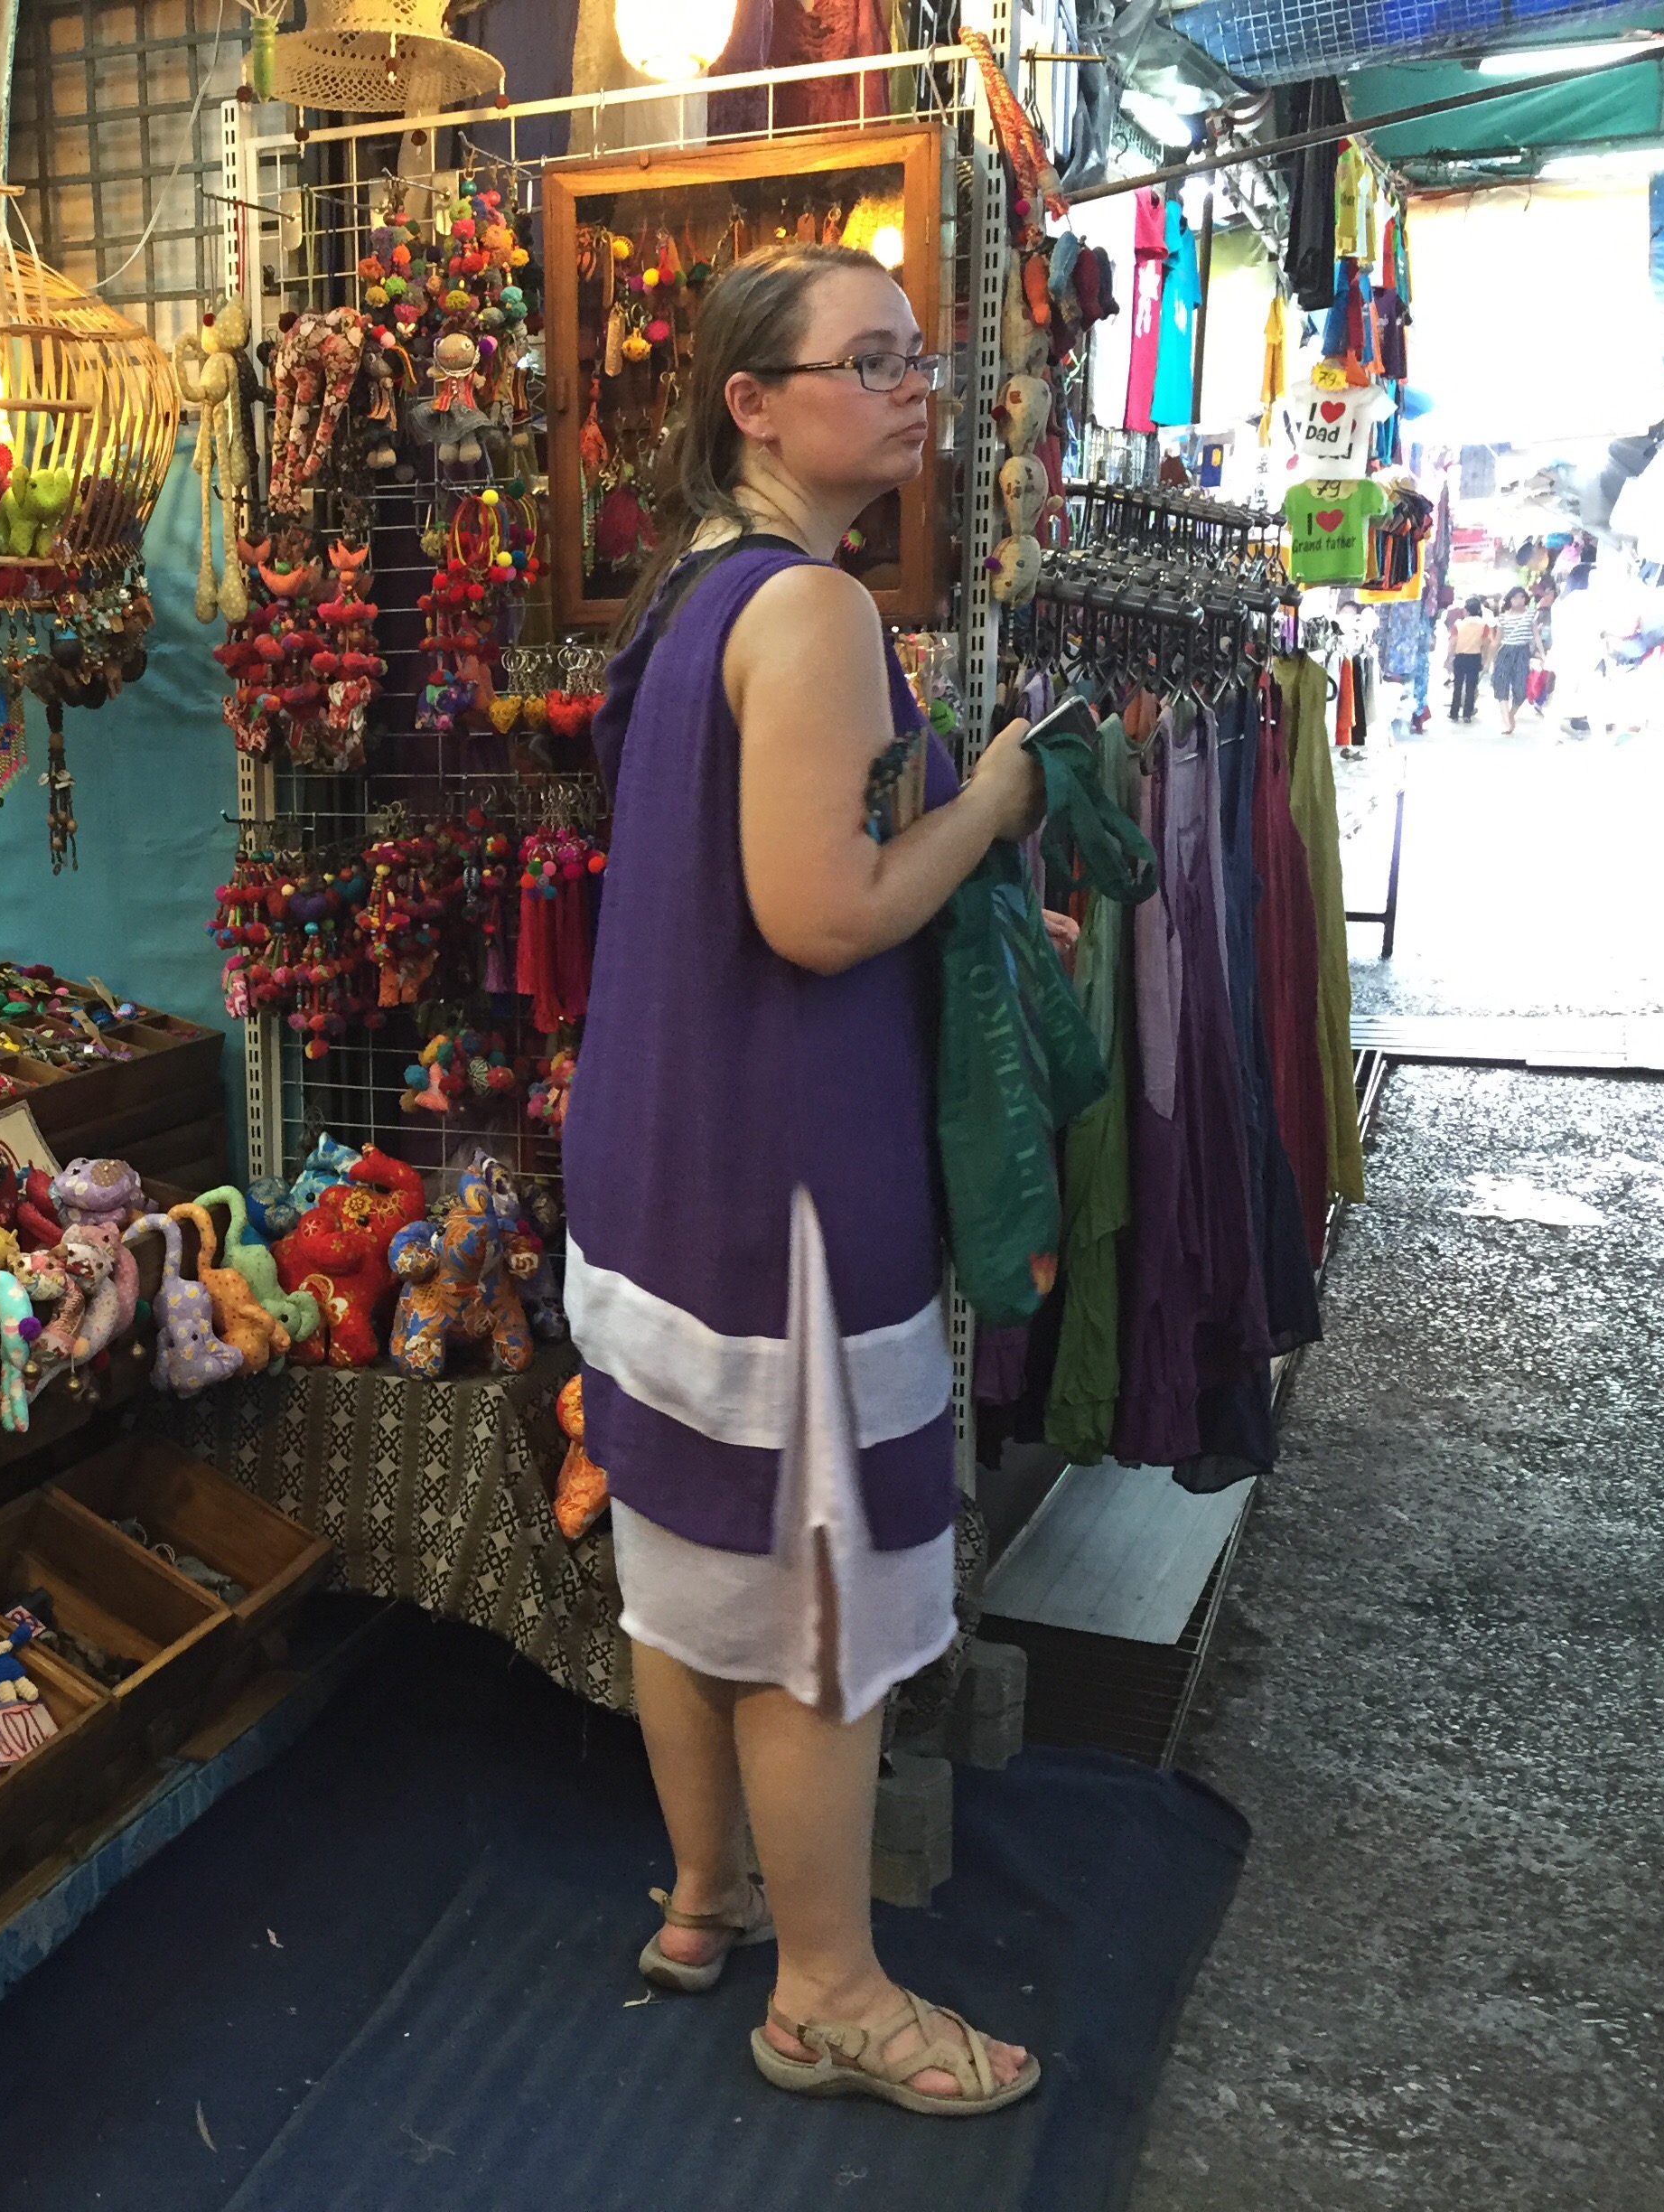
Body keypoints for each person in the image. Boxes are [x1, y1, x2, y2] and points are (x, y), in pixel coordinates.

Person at [562, 244, 1042, 2119]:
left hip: (667, 1157)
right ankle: (827, 1989)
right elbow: (820, 914)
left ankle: (705, 1897)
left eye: (915, 356)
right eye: (871, 359)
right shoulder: (816, 613)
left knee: (686, 1560)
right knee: (816, 1591)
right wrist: (987, 807)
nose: (914, 388)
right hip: (783, 1183)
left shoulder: (691, 593)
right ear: (752, 402)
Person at [1491, 585, 1540, 734]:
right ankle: (1507, 723)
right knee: (1502, 686)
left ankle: (1511, 714)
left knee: (1521, 689)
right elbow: (1497, 641)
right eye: (1515, 597)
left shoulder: (1531, 614)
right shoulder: (1502, 618)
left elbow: (1536, 635)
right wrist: (1489, 660)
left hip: (1522, 653)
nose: (1519, 600)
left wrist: (1543, 654)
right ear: (1509, 600)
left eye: (1522, 597)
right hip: (1505, 652)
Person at [1447, 595, 1491, 722]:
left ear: (1466, 610)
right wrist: (1485, 659)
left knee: (1458, 685)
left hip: (1460, 657)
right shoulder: (1484, 625)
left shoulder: (1459, 624)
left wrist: (1449, 657)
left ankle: (1454, 713)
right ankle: (1467, 713)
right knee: (1471, 686)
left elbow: (1452, 642)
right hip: (1475, 657)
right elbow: (1486, 643)